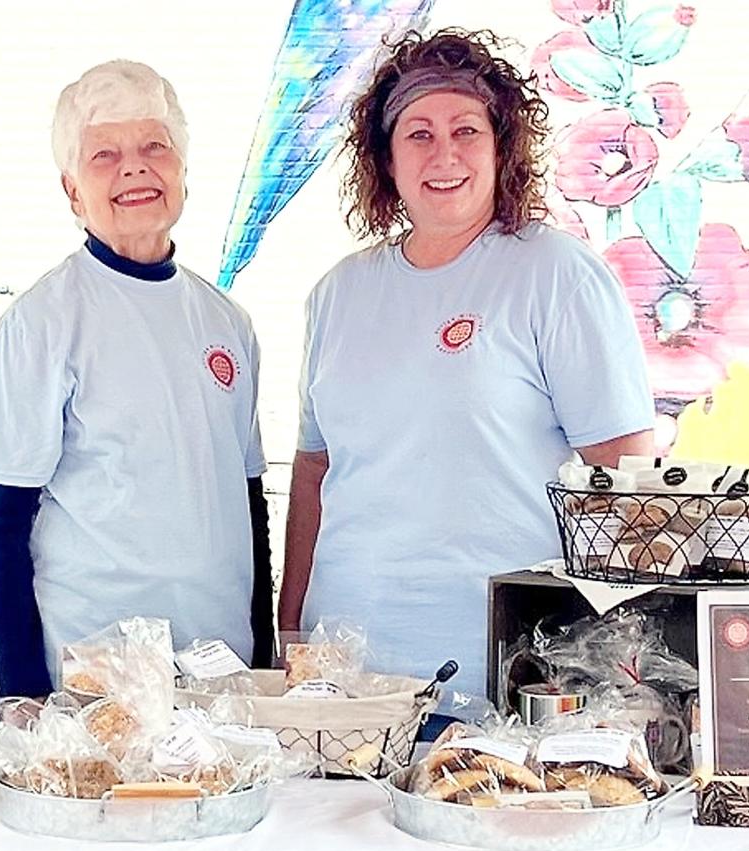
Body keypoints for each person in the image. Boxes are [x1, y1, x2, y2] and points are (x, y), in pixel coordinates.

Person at [278, 29, 654, 707]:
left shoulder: (555, 275)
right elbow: (315, 471)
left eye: (466, 130)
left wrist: (608, 678)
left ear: (502, 145)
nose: (444, 153)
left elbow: (625, 481)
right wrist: (287, 629)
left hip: (502, 675)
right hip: (343, 682)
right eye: (418, 133)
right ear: (385, 159)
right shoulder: (338, 294)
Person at [0, 60, 272, 699]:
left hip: (217, 673)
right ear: (72, 191)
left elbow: (248, 502)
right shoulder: (43, 322)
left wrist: (264, 652)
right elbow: (0, 520)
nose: (134, 168)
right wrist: (25, 696)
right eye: (104, 154)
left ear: (183, 171)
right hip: (85, 678)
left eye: (153, 146)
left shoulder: (228, 324)